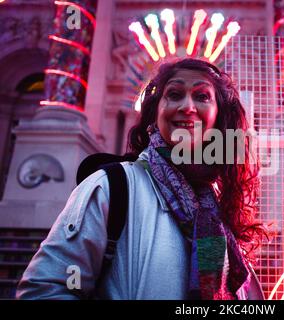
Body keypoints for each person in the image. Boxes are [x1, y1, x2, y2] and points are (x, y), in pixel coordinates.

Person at [16, 58, 268, 300]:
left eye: (202, 96)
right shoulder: (110, 186)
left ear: (219, 117)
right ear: (155, 113)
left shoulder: (217, 205)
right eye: (174, 94)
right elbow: (45, 288)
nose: (187, 107)